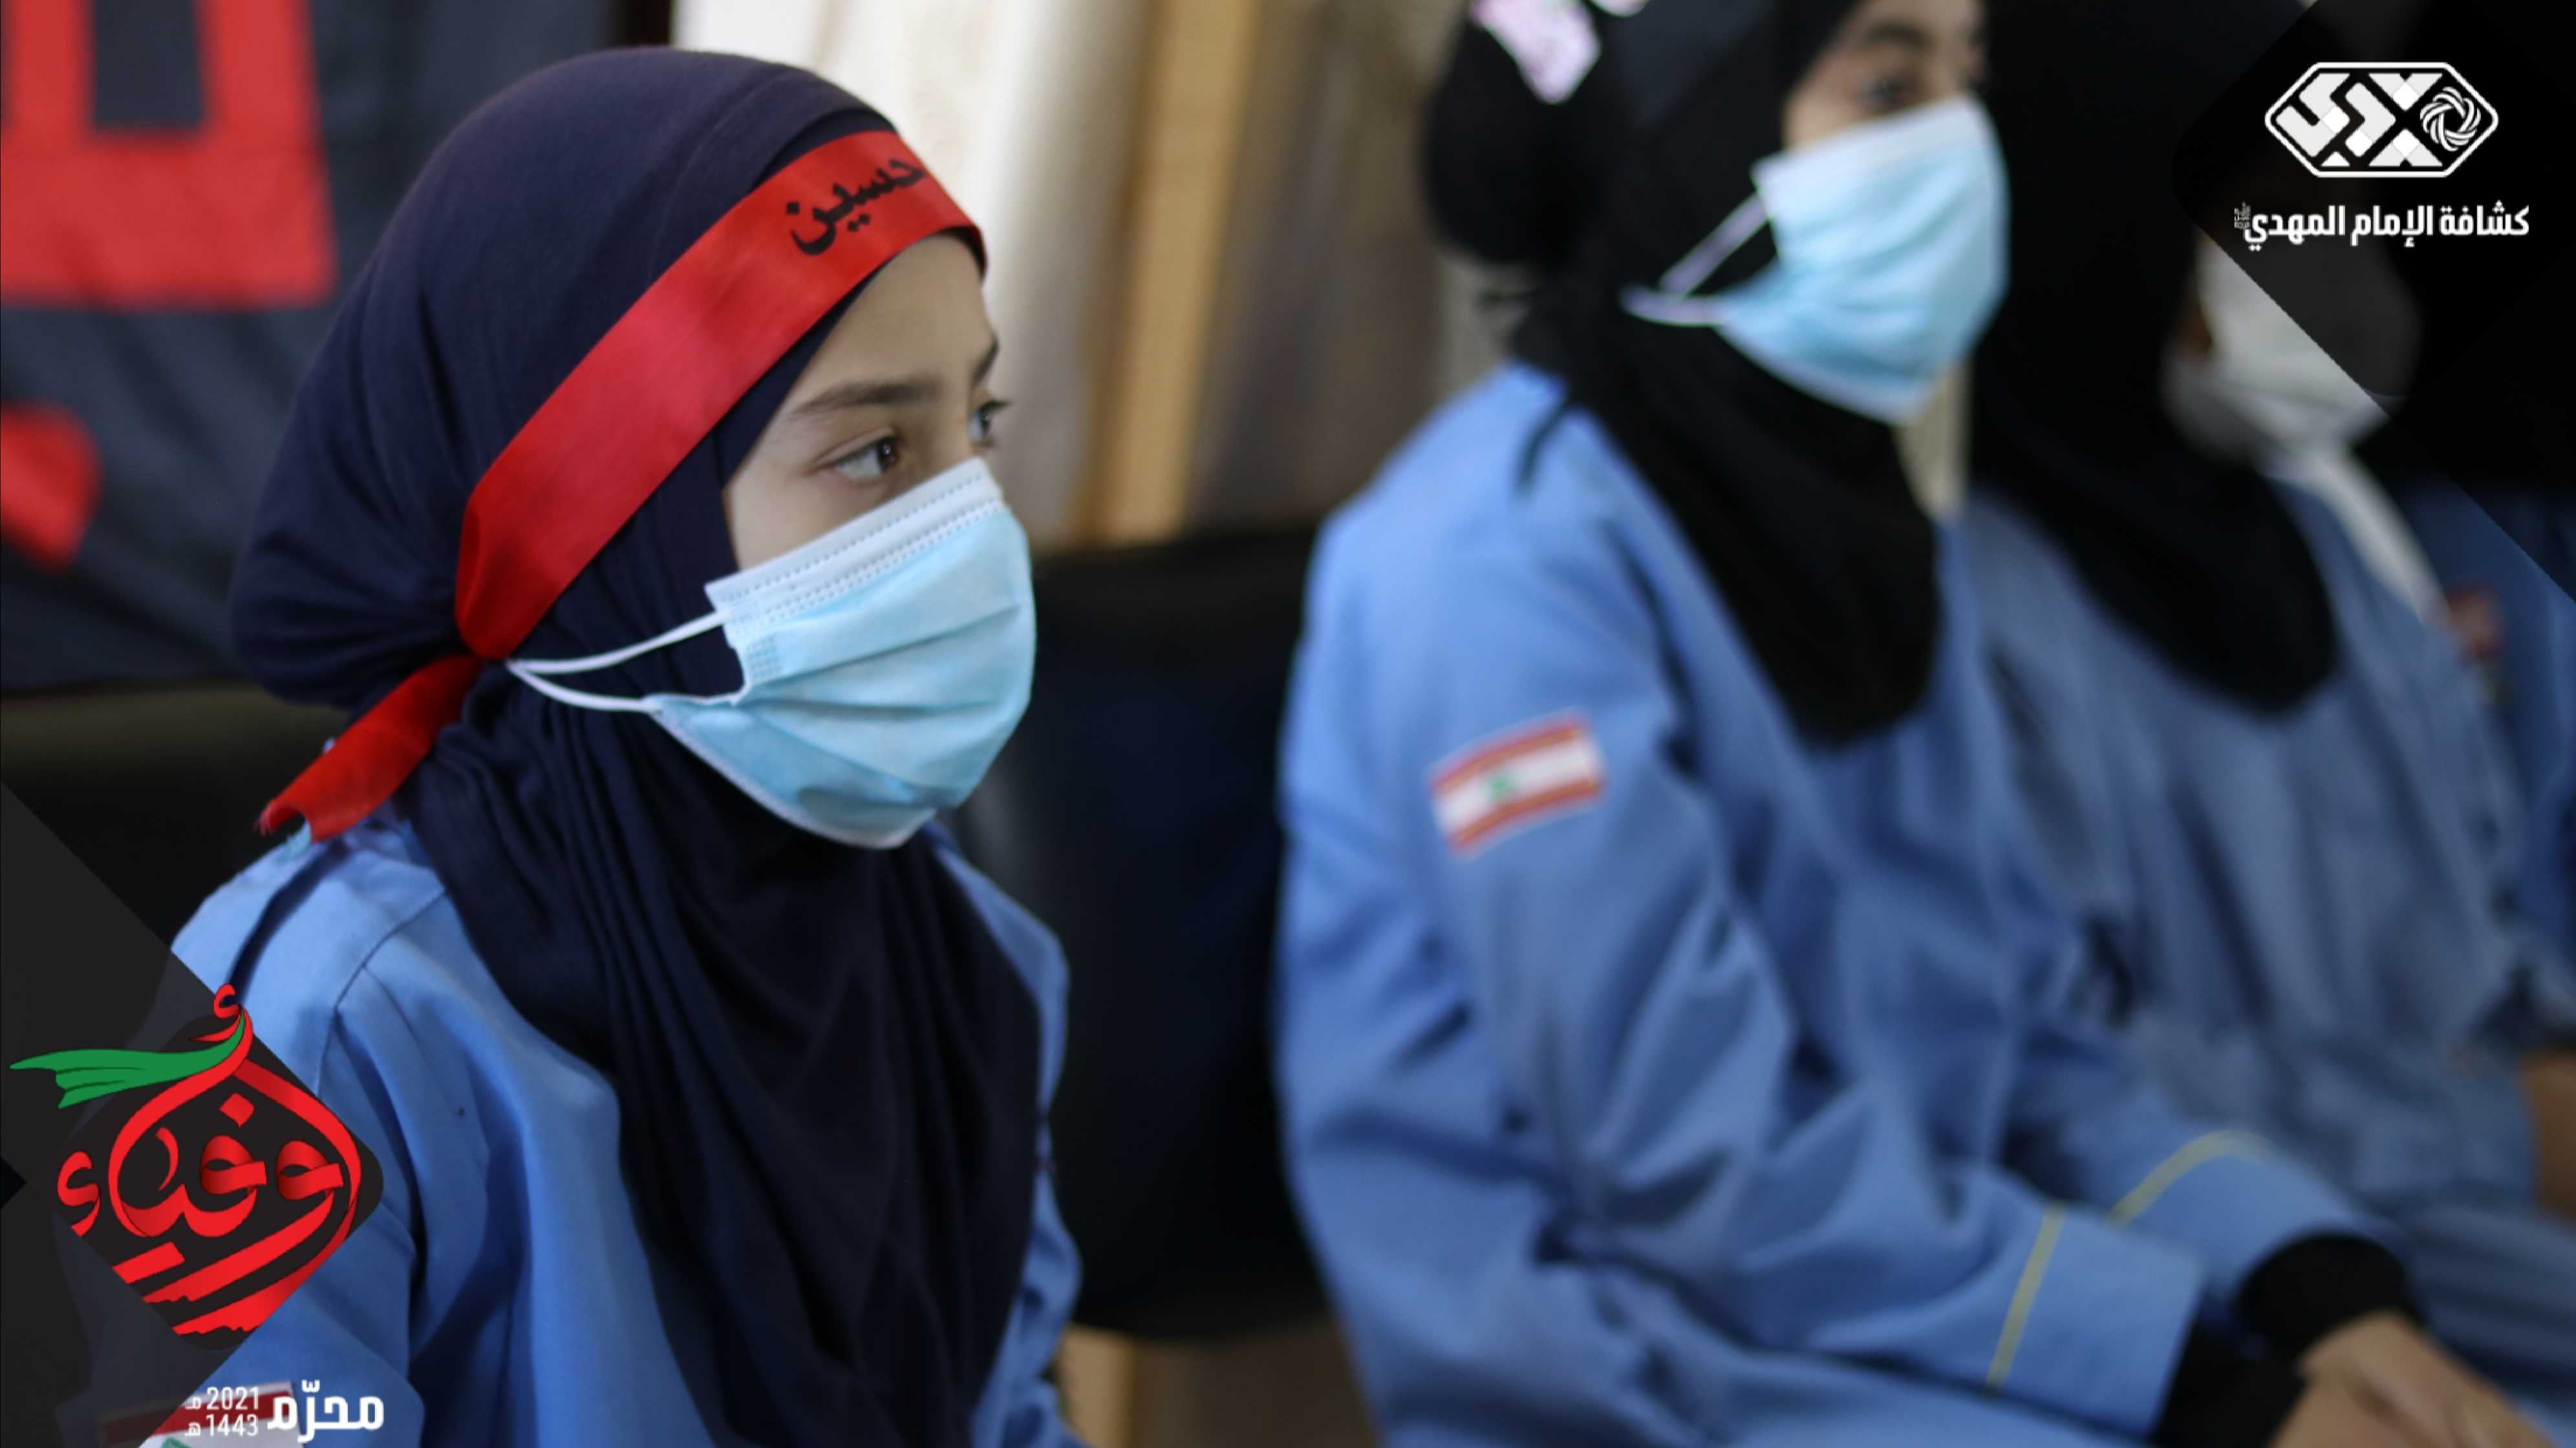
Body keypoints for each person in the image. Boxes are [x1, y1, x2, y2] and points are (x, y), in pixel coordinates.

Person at [1272, 0, 2551, 1443]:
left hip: (1906, 1312)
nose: (1960, 142)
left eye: (1969, 75)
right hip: (1650, 1368)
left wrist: (2309, 1287)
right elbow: (1700, 1170)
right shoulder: (1495, 566)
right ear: (1693, 144)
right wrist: (2216, 1393)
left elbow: (2032, 1043)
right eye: (1888, 86)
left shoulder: (1850, 518)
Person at [169, 51, 1080, 1447]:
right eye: (877, 454)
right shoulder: (286, 1032)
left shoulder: (969, 958)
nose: (978, 524)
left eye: (980, 422)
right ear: (597, 524)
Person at [1960, 0, 2576, 1429]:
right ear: (2110, 223)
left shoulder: (2331, 541)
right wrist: (2496, 1126)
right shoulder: (1985, 615)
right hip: (2248, 1259)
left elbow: (2490, 931)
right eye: (2271, 217)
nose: (2331, 265)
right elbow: (2056, 1075)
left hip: (2463, 1208)